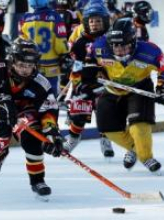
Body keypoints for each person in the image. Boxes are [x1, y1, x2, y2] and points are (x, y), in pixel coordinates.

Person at [0, 37, 63, 200]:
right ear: (12, 60)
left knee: (33, 141)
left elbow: (48, 110)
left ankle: (38, 181)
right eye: (21, 65)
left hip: (24, 114)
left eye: (29, 65)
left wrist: (52, 133)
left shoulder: (41, 83)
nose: (25, 70)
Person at [91, 17, 164, 174]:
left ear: (133, 42)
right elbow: (88, 62)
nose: (119, 50)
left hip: (139, 88)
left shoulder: (150, 51)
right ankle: (136, 149)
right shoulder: (99, 47)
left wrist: (163, 88)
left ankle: (146, 157)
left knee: (139, 127)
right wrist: (89, 77)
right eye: (115, 46)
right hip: (112, 89)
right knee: (108, 128)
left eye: (124, 46)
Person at [63, 0, 115, 158]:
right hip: (85, 82)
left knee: (105, 111)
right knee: (79, 111)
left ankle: (106, 139)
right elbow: (75, 62)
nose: (94, 24)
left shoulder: (112, 39)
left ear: (105, 21)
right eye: (91, 21)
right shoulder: (80, 40)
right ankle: (73, 138)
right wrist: (75, 80)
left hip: (105, 82)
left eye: (98, 21)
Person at [19, 0, 69, 97]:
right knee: (51, 94)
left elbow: (22, 43)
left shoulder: (25, 18)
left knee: (32, 93)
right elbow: (60, 43)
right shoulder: (55, 17)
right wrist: (64, 52)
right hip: (52, 65)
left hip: (32, 65)